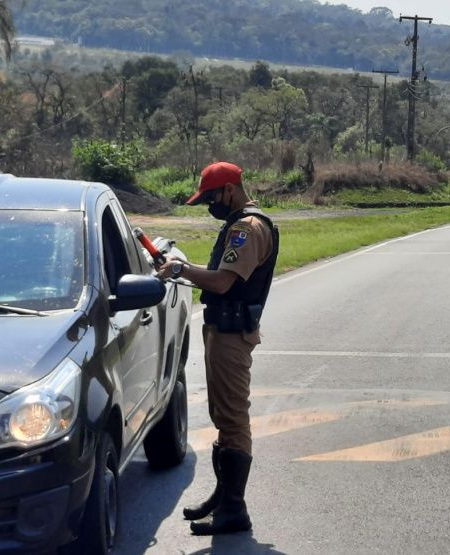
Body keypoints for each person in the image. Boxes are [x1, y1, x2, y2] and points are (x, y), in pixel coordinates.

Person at [155, 161, 279, 535]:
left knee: (233, 418)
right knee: (222, 415)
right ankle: (222, 498)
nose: (209, 205)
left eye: (211, 197)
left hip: (232, 332)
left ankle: (234, 510)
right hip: (221, 329)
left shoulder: (247, 227)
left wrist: (182, 269)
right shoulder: (237, 224)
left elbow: (224, 283)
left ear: (230, 189)